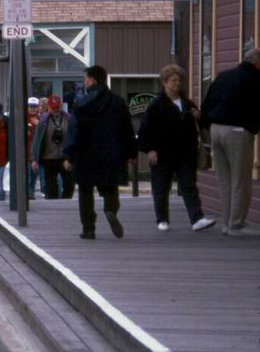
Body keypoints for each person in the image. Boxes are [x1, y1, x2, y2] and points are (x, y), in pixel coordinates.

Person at [137, 65, 216, 233]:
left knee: (189, 185)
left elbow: (204, 123)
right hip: (162, 153)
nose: (177, 84)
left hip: (186, 153)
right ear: (165, 83)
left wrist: (199, 116)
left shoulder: (187, 103)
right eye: (173, 80)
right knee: (161, 186)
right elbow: (145, 130)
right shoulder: (156, 105)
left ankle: (196, 218)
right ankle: (162, 219)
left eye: (179, 80)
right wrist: (149, 150)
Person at [64, 65, 136, 240]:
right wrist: (131, 152)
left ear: (93, 80)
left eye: (86, 78)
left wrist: (69, 155)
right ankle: (110, 209)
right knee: (110, 187)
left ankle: (88, 228)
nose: (84, 82)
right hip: (110, 153)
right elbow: (127, 129)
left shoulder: (81, 103)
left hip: (85, 154)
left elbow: (74, 131)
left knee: (85, 191)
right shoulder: (118, 102)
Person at [200, 49, 260, 236]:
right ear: (257, 63)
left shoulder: (223, 77)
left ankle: (226, 222)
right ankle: (237, 224)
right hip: (237, 131)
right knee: (240, 180)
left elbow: (207, 103)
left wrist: (207, 125)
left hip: (216, 130)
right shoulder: (254, 79)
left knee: (225, 179)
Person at [32, 95, 73, 199]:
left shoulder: (68, 119)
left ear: (61, 106)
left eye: (57, 107)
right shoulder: (44, 120)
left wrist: (70, 158)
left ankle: (65, 201)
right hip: (48, 157)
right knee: (50, 185)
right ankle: (53, 203)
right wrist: (34, 159)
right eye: (53, 107)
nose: (55, 110)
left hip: (64, 157)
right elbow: (37, 140)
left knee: (69, 183)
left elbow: (73, 139)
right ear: (49, 107)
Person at [25, 97, 41, 199]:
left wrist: (38, 125)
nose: (33, 109)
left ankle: (31, 192)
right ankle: (28, 193)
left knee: (34, 174)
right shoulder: (23, 118)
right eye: (31, 106)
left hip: (36, 153)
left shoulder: (41, 119)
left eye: (35, 107)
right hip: (25, 152)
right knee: (27, 175)